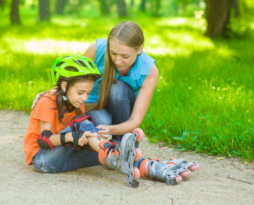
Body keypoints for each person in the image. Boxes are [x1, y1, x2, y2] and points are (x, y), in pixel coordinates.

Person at [84, 21, 199, 184]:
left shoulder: (149, 71)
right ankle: (109, 153)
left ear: (139, 49)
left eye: (125, 56)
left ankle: (122, 145)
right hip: (93, 108)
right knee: (102, 120)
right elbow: (70, 84)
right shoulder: (96, 50)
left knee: (117, 90)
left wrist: (109, 129)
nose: (117, 61)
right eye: (113, 53)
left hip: (122, 118)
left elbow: (135, 121)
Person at [23, 55, 143, 187]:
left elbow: (81, 134)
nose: (84, 98)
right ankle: (109, 151)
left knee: (97, 155)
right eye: (80, 93)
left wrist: (92, 137)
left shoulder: (76, 102)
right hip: (43, 159)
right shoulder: (47, 101)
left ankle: (132, 162)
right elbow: (44, 140)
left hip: (62, 159)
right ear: (64, 86)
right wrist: (70, 137)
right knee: (82, 124)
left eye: (88, 93)